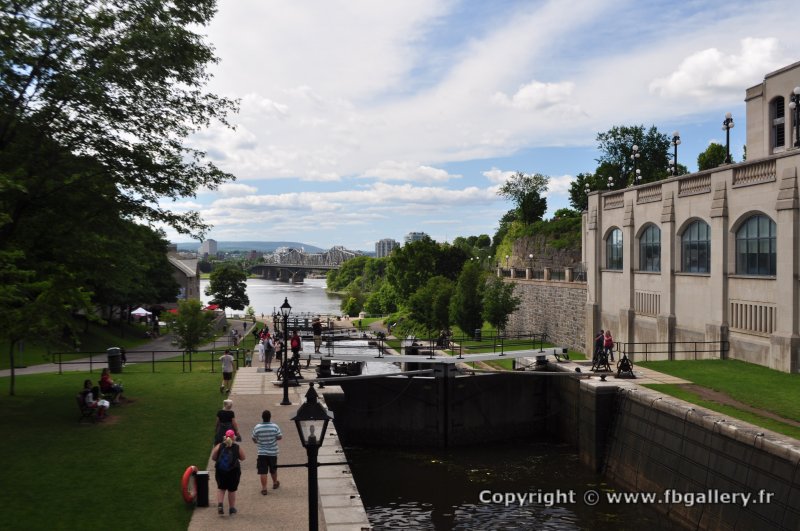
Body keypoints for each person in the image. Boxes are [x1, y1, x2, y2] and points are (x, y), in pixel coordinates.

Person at [212, 429, 245, 516]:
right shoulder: (237, 447)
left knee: (221, 488)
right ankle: (231, 508)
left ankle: (220, 505)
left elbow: (214, 457)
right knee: (232, 490)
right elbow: (243, 457)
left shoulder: (219, 446)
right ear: (233, 437)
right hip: (234, 471)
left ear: (225, 437)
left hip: (221, 471)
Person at [251, 410, 283, 495]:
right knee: (273, 469)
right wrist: (274, 439)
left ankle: (264, 488)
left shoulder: (257, 427)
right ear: (270, 417)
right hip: (273, 452)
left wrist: (257, 441)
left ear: (262, 417)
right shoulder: (274, 426)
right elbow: (279, 437)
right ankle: (275, 482)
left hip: (261, 452)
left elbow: (253, 438)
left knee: (263, 471)